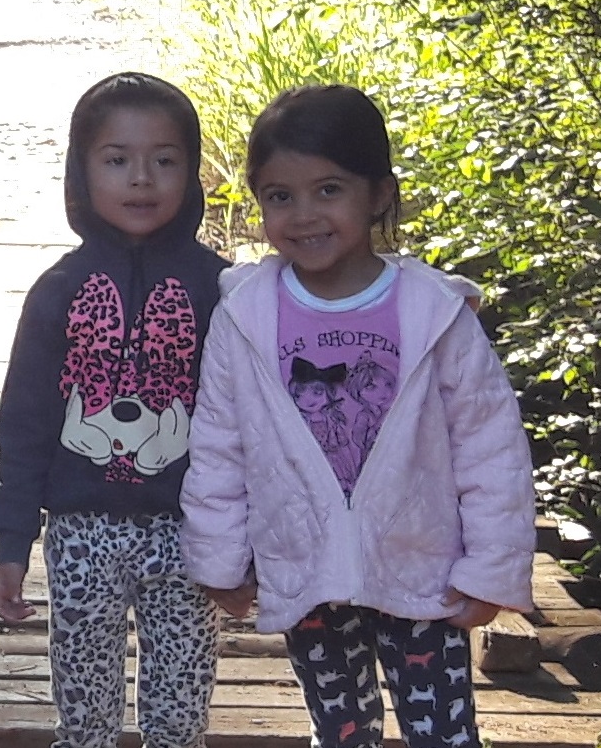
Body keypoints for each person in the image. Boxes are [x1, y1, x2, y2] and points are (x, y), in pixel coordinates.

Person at [183, 85, 536, 748]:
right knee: (341, 732)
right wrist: (219, 556)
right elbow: (219, 444)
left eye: (328, 190)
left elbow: (489, 447)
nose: (303, 215)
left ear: (378, 195)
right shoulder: (245, 315)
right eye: (279, 195)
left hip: (422, 570)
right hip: (305, 566)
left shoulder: (433, 311)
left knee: (444, 734)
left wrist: (490, 566)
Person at [0, 72, 229, 748]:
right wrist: (11, 541)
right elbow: (24, 422)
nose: (141, 178)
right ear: (81, 171)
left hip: (189, 530)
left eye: (164, 159)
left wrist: (247, 536)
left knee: (180, 715)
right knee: (84, 712)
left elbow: (248, 420)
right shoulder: (58, 290)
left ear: (191, 170)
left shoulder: (219, 288)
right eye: (117, 159)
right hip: (79, 531)